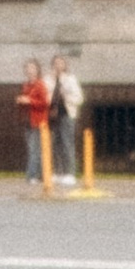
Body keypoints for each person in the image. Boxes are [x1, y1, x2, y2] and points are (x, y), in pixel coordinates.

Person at [50, 52, 87, 194]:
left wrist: (67, 96)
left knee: (67, 142)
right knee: (54, 144)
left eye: (61, 63)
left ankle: (70, 173)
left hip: (66, 114)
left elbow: (79, 98)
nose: (58, 65)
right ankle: (57, 172)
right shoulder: (49, 79)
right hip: (52, 116)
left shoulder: (70, 79)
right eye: (56, 63)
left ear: (65, 65)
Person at [17, 55, 51, 191]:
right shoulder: (26, 85)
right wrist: (21, 101)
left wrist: (30, 101)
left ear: (37, 70)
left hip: (38, 120)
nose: (30, 70)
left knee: (35, 149)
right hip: (28, 120)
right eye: (28, 68)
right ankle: (37, 174)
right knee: (32, 148)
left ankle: (32, 175)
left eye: (33, 68)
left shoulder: (40, 84)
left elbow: (45, 103)